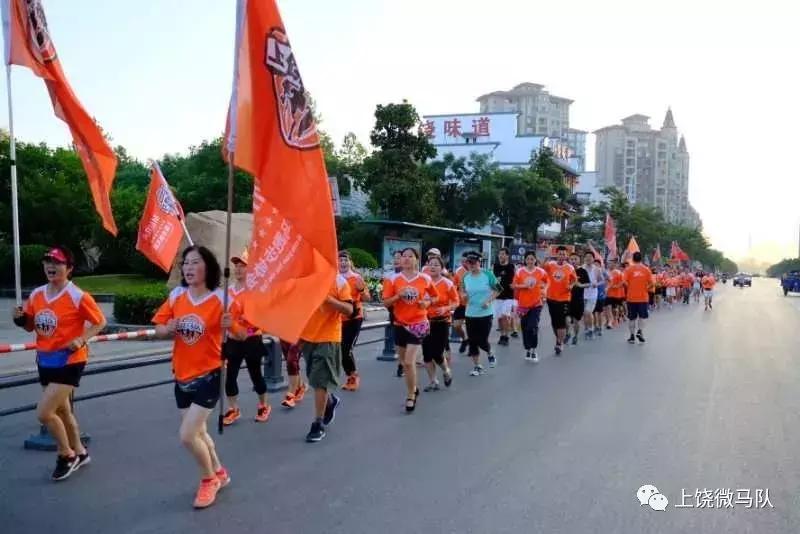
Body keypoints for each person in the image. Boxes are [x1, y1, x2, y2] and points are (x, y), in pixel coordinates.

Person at [12, 246, 106, 481]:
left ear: (69, 268)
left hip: (70, 360)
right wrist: (20, 319)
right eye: (47, 262)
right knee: (63, 411)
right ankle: (81, 453)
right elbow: (31, 326)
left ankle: (66, 454)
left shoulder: (77, 296)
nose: (50, 267)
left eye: (57, 263)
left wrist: (81, 339)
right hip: (45, 359)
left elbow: (100, 321)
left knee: (44, 413)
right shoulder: (37, 295)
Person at [152, 246, 231, 509]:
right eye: (185, 263)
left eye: (195, 262)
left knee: (187, 436)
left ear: (208, 267)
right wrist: (168, 328)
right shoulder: (176, 296)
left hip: (210, 374)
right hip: (182, 375)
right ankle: (219, 470)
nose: (188, 267)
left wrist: (231, 326)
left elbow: (242, 334)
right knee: (200, 432)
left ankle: (209, 480)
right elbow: (159, 329)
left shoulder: (222, 299)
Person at [299, 272, 354, 442]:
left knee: (320, 380)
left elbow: (349, 309)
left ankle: (318, 423)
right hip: (306, 336)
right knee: (314, 378)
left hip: (328, 336)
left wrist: (329, 300)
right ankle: (329, 401)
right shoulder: (302, 278)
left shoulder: (338, 281)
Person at [382, 248, 439, 411]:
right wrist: (398, 296)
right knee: (404, 362)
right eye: (404, 256)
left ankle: (410, 394)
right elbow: (386, 303)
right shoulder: (392, 279)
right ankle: (414, 387)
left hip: (418, 323)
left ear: (417, 260)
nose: (406, 259)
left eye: (410, 256)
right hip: (400, 323)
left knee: (408, 362)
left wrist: (427, 303)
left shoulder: (425, 278)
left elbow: (435, 297)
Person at [222, 251, 271, 425]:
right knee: (230, 376)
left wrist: (247, 333)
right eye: (236, 266)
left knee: (255, 375)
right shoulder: (227, 292)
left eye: (243, 266)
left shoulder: (255, 291)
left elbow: (261, 319)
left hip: (251, 339)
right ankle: (233, 409)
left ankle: (263, 405)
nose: (239, 269)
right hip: (232, 340)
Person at [460, 251, 500, 375]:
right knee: (472, 341)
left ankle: (489, 352)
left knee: (482, 340)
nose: (471, 265)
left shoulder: (487, 274)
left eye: (473, 262)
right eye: (469, 263)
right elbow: (462, 291)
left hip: (485, 313)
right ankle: (477, 366)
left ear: (479, 262)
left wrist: (488, 301)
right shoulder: (465, 277)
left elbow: (498, 290)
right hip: (470, 313)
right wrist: (464, 296)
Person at [421, 256, 458, 390]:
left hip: (442, 322)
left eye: (436, 265)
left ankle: (446, 371)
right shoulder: (423, 282)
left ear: (441, 268)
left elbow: (456, 302)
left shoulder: (447, 283)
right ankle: (433, 381)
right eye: (431, 264)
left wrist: (446, 308)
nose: (433, 267)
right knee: (426, 354)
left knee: (437, 353)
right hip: (425, 321)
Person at [338, 251, 370, 392]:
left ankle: (353, 376)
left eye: (345, 260)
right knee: (340, 350)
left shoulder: (356, 278)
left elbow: (367, 298)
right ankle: (350, 376)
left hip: (354, 317)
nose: (343, 263)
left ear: (350, 262)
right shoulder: (334, 278)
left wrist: (362, 290)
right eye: (340, 260)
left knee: (346, 349)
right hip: (338, 319)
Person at [511, 251, 548, 362]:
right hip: (523, 304)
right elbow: (513, 286)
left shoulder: (541, 271)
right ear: (525, 260)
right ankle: (527, 348)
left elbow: (547, 282)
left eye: (532, 259)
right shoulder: (520, 271)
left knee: (533, 327)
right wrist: (524, 286)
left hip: (536, 304)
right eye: (528, 259)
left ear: (535, 260)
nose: (530, 261)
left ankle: (533, 350)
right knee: (525, 327)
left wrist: (544, 291)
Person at [544, 246, 577, 355]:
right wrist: (546, 256)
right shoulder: (551, 264)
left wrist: (571, 286)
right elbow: (541, 269)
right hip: (551, 297)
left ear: (566, 255)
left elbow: (574, 280)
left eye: (564, 254)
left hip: (564, 298)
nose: (562, 256)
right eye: (560, 254)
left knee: (561, 321)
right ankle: (559, 339)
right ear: (556, 254)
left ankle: (560, 343)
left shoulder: (570, 267)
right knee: (554, 322)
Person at [622, 251, 654, 344]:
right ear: (641, 259)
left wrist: (630, 287)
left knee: (632, 318)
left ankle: (632, 337)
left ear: (632, 259)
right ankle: (640, 331)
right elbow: (652, 284)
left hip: (631, 298)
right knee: (642, 317)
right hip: (643, 298)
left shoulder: (628, 269)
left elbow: (624, 282)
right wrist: (645, 288)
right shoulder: (646, 269)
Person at [383, 250, 404, 378]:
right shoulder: (389, 276)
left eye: (399, 258)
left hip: (411, 313)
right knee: (399, 341)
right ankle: (402, 364)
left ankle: (407, 362)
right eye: (395, 258)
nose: (396, 260)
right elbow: (385, 298)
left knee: (409, 341)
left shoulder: (411, 276)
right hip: (395, 312)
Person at [493, 247, 516, 347]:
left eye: (503, 254)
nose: (501, 256)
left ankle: (506, 336)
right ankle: (502, 335)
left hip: (508, 296)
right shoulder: (495, 266)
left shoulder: (511, 267)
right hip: (498, 296)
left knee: (505, 316)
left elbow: (514, 280)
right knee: (499, 318)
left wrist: (514, 285)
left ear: (507, 256)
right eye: (500, 254)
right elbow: (493, 280)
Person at [566, 253, 588, 345]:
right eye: (572, 259)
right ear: (569, 260)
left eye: (575, 259)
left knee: (576, 320)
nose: (573, 261)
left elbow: (588, 284)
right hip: (566, 299)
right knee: (565, 318)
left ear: (579, 260)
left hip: (578, 299)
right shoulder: (566, 270)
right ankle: (568, 333)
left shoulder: (582, 271)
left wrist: (580, 285)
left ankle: (575, 336)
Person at [279, 340, 307, 409]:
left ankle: (291, 396)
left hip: (299, 334)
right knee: (291, 360)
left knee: (291, 360)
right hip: (284, 334)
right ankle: (301, 386)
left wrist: (250, 333)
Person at [452, 252, 470, 354]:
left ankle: (472, 347)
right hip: (460, 303)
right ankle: (465, 339)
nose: (464, 263)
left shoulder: (475, 271)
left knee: (471, 327)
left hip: (472, 304)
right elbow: (453, 286)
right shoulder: (458, 271)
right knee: (456, 325)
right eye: (462, 261)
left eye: (466, 261)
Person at [581, 252, 600, 340]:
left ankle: (591, 328)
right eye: (587, 256)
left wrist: (597, 284)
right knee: (584, 313)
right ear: (584, 258)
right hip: (583, 294)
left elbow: (602, 280)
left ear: (593, 258)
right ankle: (586, 328)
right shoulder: (581, 268)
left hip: (592, 294)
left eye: (590, 257)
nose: (588, 258)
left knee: (588, 312)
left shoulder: (597, 269)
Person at [605, 259, 625, 327]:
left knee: (614, 308)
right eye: (608, 263)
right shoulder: (606, 272)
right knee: (608, 307)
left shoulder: (619, 273)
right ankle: (609, 321)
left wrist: (616, 286)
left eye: (611, 263)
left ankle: (615, 318)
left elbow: (622, 282)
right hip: (608, 293)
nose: (609, 265)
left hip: (616, 294)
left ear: (615, 264)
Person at [593, 259, 608, 336]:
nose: (595, 265)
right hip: (592, 296)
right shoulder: (591, 271)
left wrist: (606, 288)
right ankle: (595, 326)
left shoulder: (603, 271)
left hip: (600, 295)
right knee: (593, 313)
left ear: (600, 265)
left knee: (599, 313)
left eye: (597, 264)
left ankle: (600, 327)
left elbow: (609, 280)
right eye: (594, 264)